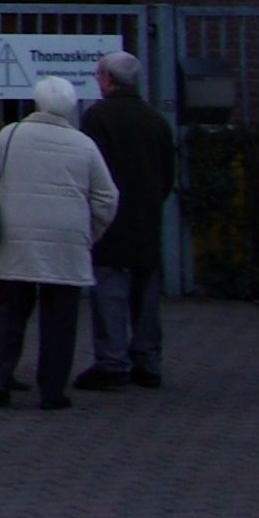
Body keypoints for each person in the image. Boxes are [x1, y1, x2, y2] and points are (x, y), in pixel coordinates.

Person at [0, 74, 120, 409]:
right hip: (67, 238)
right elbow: (107, 198)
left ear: (36, 102)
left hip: (16, 235)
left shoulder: (11, 135)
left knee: (10, 310)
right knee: (60, 319)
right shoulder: (83, 144)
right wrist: (90, 231)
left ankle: (0, 379)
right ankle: (52, 392)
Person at [76, 48, 176, 391]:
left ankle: (112, 361)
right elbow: (167, 173)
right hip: (147, 218)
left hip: (111, 219)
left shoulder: (98, 117)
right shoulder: (156, 119)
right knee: (146, 293)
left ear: (107, 79)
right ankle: (148, 361)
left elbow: (91, 170)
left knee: (110, 291)